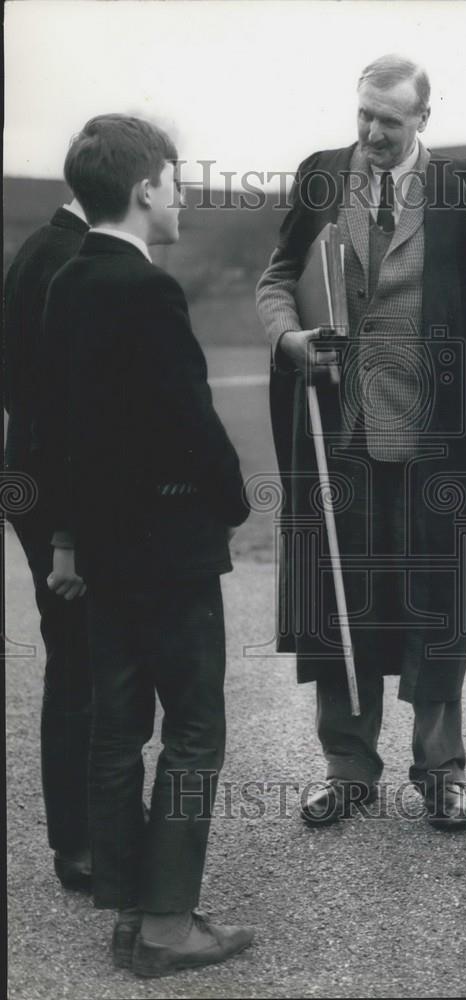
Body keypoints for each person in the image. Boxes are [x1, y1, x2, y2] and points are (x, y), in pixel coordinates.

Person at [256, 54, 466, 830]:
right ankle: (347, 768)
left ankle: (440, 772)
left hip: (441, 441)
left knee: (439, 605)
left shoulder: (464, 188)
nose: (372, 132)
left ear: (423, 121)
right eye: (364, 116)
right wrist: (286, 338)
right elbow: (276, 276)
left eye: (391, 121)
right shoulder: (319, 176)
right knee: (341, 597)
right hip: (337, 435)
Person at [39, 114, 254, 975]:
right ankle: (167, 922)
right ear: (144, 191)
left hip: (104, 548)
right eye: (174, 179)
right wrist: (233, 501)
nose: (181, 193)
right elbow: (189, 422)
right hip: (169, 551)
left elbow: (54, 433)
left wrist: (72, 539)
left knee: (117, 729)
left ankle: (128, 909)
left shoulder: (66, 281)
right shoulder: (148, 289)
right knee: (196, 728)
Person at [4, 196, 92, 889]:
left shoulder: (38, 247)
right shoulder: (69, 258)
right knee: (81, 664)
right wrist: (68, 533)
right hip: (57, 493)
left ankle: (82, 836)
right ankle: (81, 844)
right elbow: (64, 408)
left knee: (76, 659)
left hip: (30, 481)